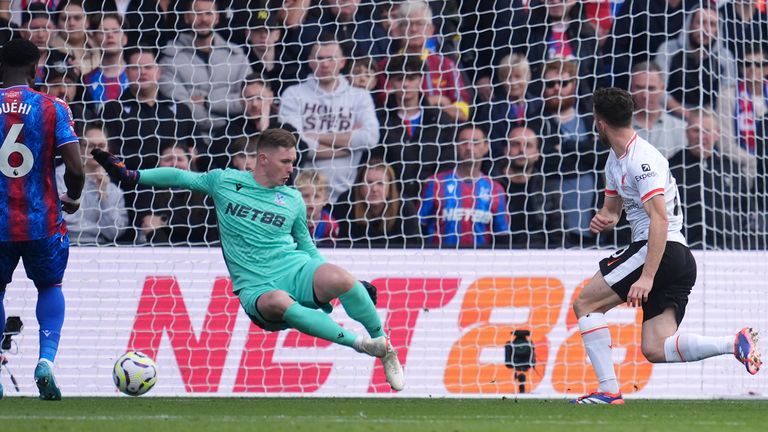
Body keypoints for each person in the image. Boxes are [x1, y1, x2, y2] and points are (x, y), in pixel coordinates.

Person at [91, 128, 405, 391]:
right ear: (263, 159)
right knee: (280, 302)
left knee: (342, 279)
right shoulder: (225, 182)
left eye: (293, 162)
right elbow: (181, 176)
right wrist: (133, 176)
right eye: (285, 162)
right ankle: (362, 345)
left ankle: (385, 347)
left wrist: (340, 280)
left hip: (293, 267)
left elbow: (306, 247)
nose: (291, 168)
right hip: (256, 286)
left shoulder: (293, 199)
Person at [571, 87, 761, 405]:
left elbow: (659, 220)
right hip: (677, 256)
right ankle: (734, 343)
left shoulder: (641, 160)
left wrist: (646, 277)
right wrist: (604, 219)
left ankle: (608, 391)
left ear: (599, 123)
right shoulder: (614, 161)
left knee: (586, 305)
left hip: (661, 248)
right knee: (656, 348)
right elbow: (613, 211)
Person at [0, 39, 85, 400]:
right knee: (50, 287)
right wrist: (74, 197)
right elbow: (77, 168)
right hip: (43, 221)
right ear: (35, 69)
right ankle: (46, 362)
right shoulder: (53, 107)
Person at [279, 35, 380, 201]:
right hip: (301, 195)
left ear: (342, 62)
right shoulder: (293, 94)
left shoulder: (360, 96)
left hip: (346, 197)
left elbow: (370, 138)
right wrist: (346, 147)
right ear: (310, 61)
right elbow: (295, 146)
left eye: (331, 58)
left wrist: (317, 136)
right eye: (319, 58)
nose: (325, 64)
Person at [419, 125, 509, 248]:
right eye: (464, 142)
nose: (469, 148)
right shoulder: (435, 183)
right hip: (439, 261)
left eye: (475, 143)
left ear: (486, 147)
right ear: (456, 147)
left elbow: (502, 235)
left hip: (479, 263)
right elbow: (419, 226)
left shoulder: (496, 189)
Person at [56, 122, 129, 245]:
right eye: (90, 145)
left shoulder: (113, 189)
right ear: (80, 148)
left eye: (101, 145)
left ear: (108, 150)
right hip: (64, 244)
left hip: (100, 249)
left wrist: (104, 196)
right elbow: (60, 222)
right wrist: (97, 229)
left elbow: (114, 233)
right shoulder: (59, 176)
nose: (96, 150)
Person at [333, 159, 422, 247]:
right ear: (359, 186)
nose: (374, 189)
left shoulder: (404, 207)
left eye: (380, 183)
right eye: (369, 182)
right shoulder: (346, 204)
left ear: (390, 188)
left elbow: (413, 247)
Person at [295, 169, 338, 244]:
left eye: (316, 196)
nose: (311, 201)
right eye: (305, 196)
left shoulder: (330, 224)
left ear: (325, 200)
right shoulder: (291, 221)